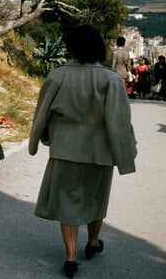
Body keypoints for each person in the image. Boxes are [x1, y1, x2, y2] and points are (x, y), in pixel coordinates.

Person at [29, 26, 137, 278]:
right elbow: (119, 123)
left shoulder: (57, 76)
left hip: (65, 150)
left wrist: (40, 140)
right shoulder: (111, 80)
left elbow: (41, 113)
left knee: (68, 201)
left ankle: (70, 256)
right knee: (95, 198)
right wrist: (126, 155)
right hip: (100, 153)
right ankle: (92, 242)